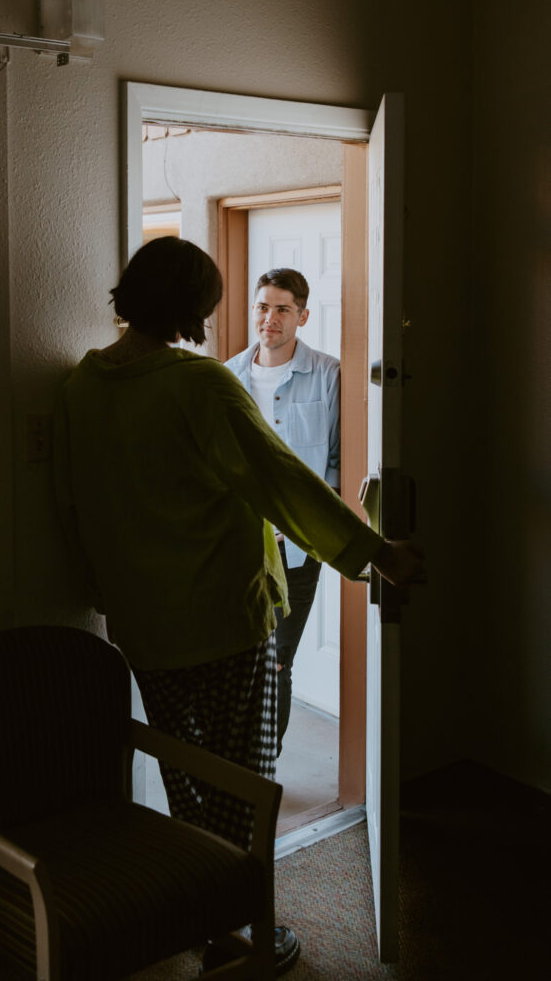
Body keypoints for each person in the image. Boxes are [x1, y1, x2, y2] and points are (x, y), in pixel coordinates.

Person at [54, 237, 423, 977]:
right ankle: (237, 930)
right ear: (196, 307)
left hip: (144, 621)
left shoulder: (81, 385)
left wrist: (98, 589)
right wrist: (376, 554)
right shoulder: (202, 385)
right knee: (244, 782)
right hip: (225, 617)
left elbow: (73, 501)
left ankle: (207, 918)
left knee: (189, 781)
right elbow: (280, 482)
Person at [225, 268, 339, 755]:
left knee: (276, 660)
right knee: (237, 656)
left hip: (298, 548)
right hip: (237, 545)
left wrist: (304, 523)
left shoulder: (330, 375)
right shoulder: (227, 376)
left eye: (282, 309)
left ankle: (264, 763)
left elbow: (335, 464)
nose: (269, 318)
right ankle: (237, 761)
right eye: (262, 306)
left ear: (303, 316)